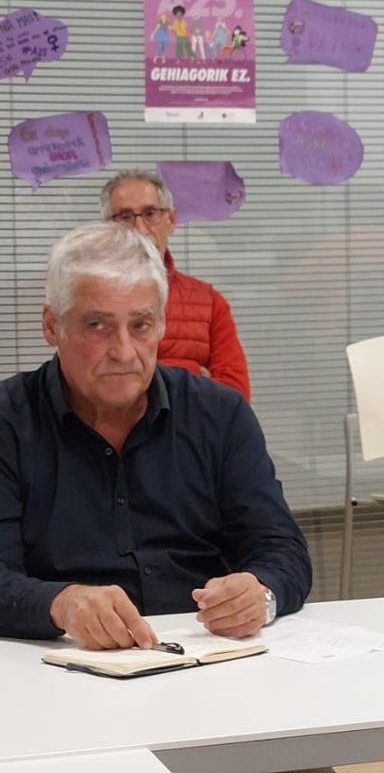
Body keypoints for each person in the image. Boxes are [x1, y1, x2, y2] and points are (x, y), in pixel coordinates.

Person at [0, 223, 311, 648]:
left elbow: (282, 550)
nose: (124, 351)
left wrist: (261, 594)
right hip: (57, 662)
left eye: (141, 325)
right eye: (97, 325)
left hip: (205, 654)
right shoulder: (8, 421)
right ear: (52, 325)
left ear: (162, 323)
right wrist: (60, 603)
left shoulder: (219, 414)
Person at [101, 169, 251, 401]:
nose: (140, 229)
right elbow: (90, 386)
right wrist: (194, 375)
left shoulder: (209, 303)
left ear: (170, 220)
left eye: (150, 213)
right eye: (125, 217)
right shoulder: (90, 299)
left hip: (191, 437)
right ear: (108, 228)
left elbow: (234, 399)